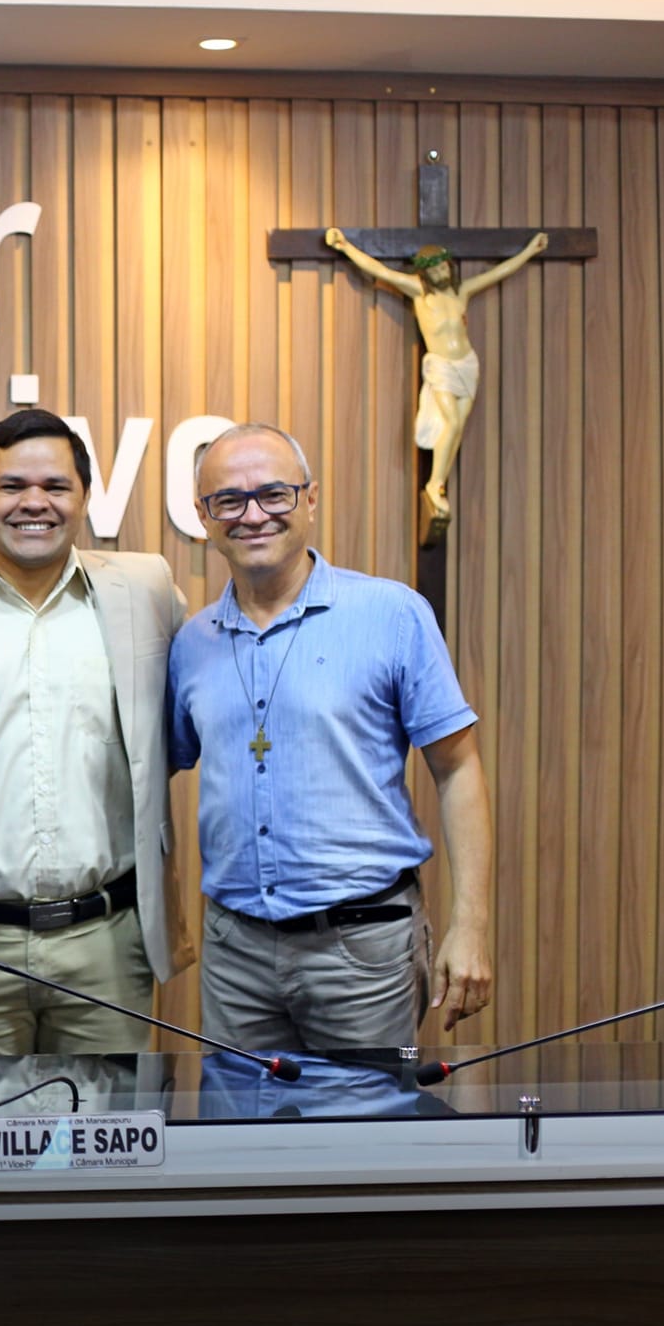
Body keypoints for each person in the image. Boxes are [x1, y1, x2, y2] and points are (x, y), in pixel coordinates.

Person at [168, 422, 494, 1051]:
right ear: (204, 517)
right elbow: (158, 768)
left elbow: (459, 771)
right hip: (236, 955)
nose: (252, 514)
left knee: (364, 1141)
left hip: (364, 950)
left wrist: (471, 924)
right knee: (239, 1142)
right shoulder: (193, 643)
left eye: (274, 494)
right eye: (228, 501)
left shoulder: (391, 615)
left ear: (310, 500)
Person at [0, 408, 192, 1056]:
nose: (35, 502)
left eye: (56, 486)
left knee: (111, 1144)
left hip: (107, 941)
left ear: (85, 496)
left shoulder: (146, 590)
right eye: (12, 486)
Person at [324, 226, 548, 538]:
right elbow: (379, 270)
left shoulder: (460, 292)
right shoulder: (418, 292)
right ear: (426, 273)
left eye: (445, 266)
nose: (442, 272)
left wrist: (529, 251)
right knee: (452, 423)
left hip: (468, 365)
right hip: (442, 366)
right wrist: (345, 247)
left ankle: (438, 484)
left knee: (456, 432)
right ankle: (433, 484)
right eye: (436, 268)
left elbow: (499, 273)